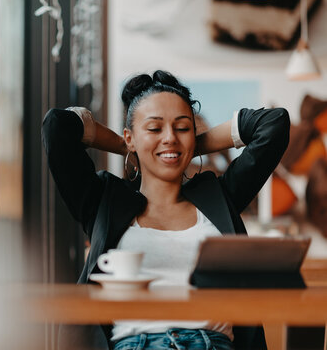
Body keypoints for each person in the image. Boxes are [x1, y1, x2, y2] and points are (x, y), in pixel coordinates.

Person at [42, 70, 289, 350]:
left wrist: (190, 146)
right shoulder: (105, 202)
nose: (170, 137)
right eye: (155, 128)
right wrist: (128, 148)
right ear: (130, 136)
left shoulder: (219, 197)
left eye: (182, 128)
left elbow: (274, 124)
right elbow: (57, 126)